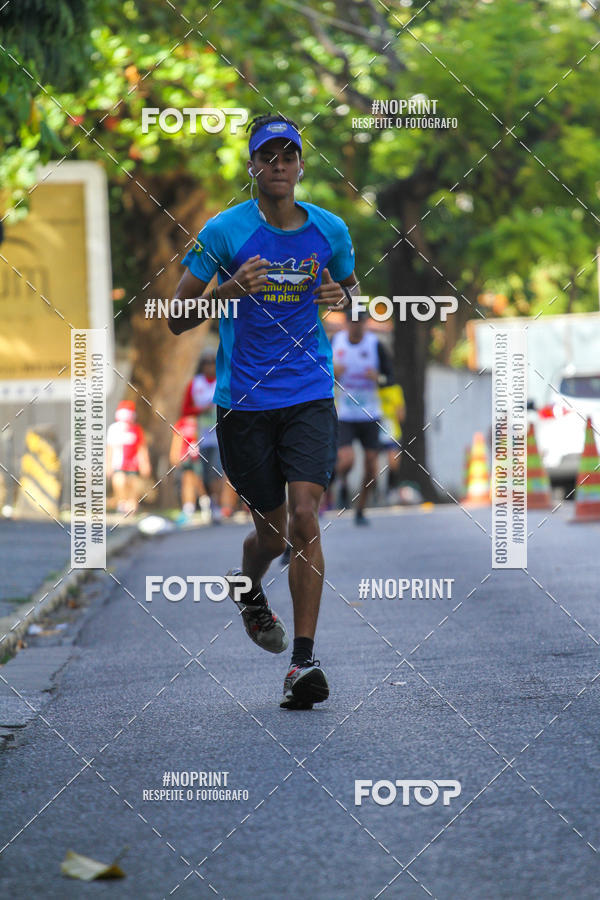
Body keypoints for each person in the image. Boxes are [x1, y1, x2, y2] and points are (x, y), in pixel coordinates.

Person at [169, 113, 359, 709]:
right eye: (266, 156)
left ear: (302, 165)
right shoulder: (224, 233)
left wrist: (340, 297)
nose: (278, 165)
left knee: (305, 516)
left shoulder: (330, 230)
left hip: (307, 392)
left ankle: (302, 665)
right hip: (244, 403)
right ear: (251, 166)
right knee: (271, 533)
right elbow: (175, 317)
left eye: (288, 156)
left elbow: (348, 293)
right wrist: (226, 291)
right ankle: (246, 587)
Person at [331, 311, 394, 524]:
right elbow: (320, 370)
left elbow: (390, 376)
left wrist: (379, 378)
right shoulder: (336, 342)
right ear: (346, 323)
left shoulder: (375, 345)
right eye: (353, 322)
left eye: (360, 322)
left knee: (371, 467)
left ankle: (361, 508)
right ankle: (341, 482)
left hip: (370, 414)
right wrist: (332, 372)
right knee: (347, 459)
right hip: (345, 414)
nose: (356, 326)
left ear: (366, 323)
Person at [180, 348, 222, 522]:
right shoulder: (195, 384)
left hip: (220, 436)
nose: (210, 367)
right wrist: (200, 410)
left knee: (217, 471)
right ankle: (206, 502)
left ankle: (217, 505)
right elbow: (184, 410)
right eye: (206, 363)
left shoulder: (222, 381)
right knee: (202, 474)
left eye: (213, 363)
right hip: (200, 437)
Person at [106, 400, 151, 514]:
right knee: (119, 482)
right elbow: (110, 448)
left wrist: (145, 463)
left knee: (134, 486)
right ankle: (122, 503)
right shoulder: (114, 429)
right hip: (118, 463)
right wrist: (108, 464)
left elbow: (141, 448)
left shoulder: (137, 429)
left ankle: (131, 508)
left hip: (133, 465)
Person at [169, 412, 202, 524]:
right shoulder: (181, 424)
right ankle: (189, 508)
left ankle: (208, 505)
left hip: (200, 456)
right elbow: (177, 442)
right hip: (186, 458)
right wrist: (175, 457)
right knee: (187, 481)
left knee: (199, 483)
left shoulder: (200, 421)